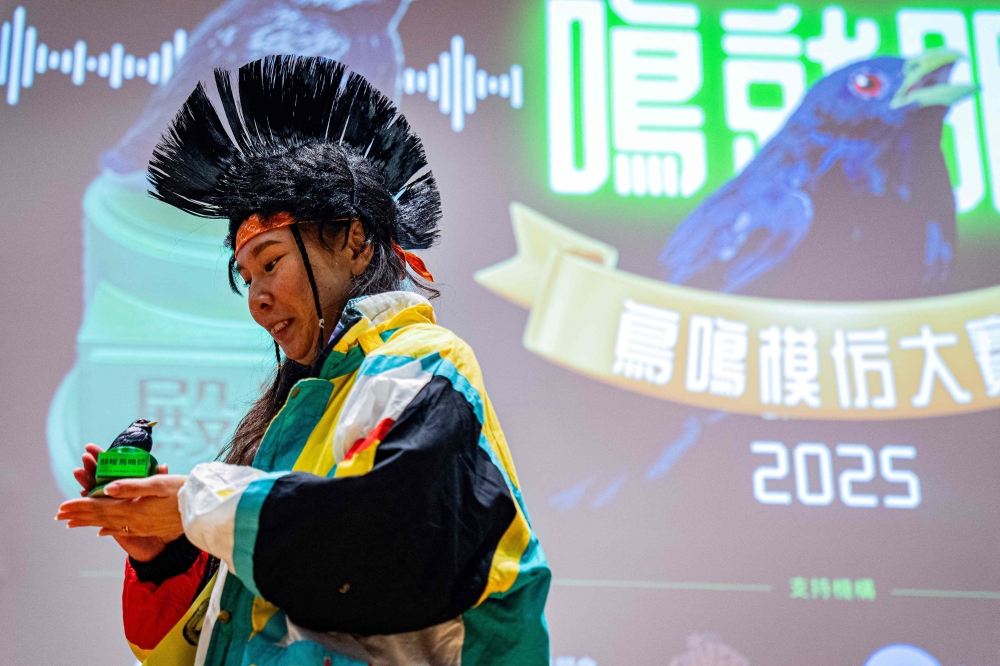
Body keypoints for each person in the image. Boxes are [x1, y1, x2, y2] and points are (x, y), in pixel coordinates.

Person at [56, 55, 550, 666]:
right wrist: (164, 551)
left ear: (354, 240)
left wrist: (192, 504)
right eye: (247, 276)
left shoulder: (422, 363)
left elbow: (377, 546)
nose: (259, 299)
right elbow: (196, 649)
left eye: (271, 262)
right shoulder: (297, 417)